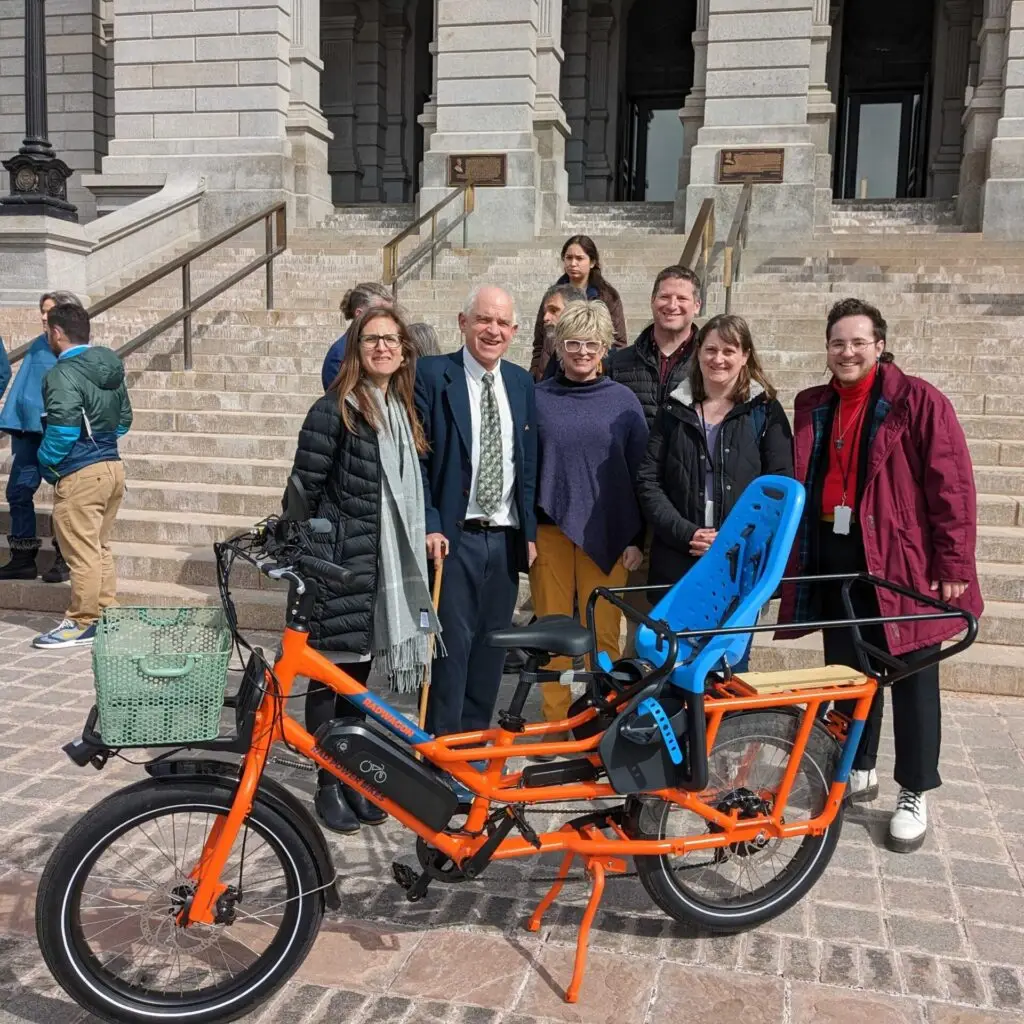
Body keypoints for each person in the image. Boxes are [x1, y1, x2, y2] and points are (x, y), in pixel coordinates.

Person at [776, 298, 982, 854]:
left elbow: (952, 486)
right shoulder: (812, 403)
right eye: (838, 342)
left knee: (913, 675)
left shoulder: (917, 401)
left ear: (879, 345)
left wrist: (953, 565)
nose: (847, 351)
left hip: (901, 557)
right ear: (827, 348)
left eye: (858, 341)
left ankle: (914, 788)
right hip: (835, 551)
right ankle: (856, 766)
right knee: (847, 669)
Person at [288, 305, 442, 834]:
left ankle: (354, 778)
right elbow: (302, 492)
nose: (383, 348)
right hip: (338, 569)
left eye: (392, 341)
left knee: (356, 683)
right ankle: (328, 783)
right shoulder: (335, 409)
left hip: (379, 572)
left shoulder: (402, 411)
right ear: (356, 348)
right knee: (329, 682)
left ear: (404, 353)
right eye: (372, 339)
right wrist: (308, 560)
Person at [636, 314, 793, 671]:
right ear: (698, 353)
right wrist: (686, 532)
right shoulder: (674, 409)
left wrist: (733, 540)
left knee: (725, 669)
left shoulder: (765, 412)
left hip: (739, 566)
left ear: (745, 356)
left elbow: (780, 486)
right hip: (679, 560)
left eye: (729, 350)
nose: (718, 359)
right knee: (672, 667)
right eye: (710, 349)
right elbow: (648, 481)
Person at [415, 285, 538, 737]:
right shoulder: (431, 375)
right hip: (454, 538)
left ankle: (471, 750)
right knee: (449, 652)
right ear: (462, 322)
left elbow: (526, 463)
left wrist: (528, 533)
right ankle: (439, 753)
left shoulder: (522, 383)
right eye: (484, 319)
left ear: (514, 331)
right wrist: (429, 523)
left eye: (502, 323)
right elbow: (420, 460)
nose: (493, 330)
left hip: (504, 540)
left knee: (491, 652)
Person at [530, 300, 647, 742]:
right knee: (552, 629)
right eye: (573, 343)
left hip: (611, 532)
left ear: (605, 347)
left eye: (591, 344)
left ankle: (604, 719)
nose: (582, 352)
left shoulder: (623, 402)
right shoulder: (536, 399)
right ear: (558, 346)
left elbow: (640, 474)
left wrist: (637, 538)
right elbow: (525, 472)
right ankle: (553, 721)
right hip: (548, 531)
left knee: (605, 634)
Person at [32, 303, 133, 649]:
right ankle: (107, 614)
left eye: (48, 329)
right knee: (98, 547)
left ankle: (82, 621)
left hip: (81, 472)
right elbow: (124, 421)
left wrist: (44, 462)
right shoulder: (110, 368)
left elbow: (61, 430)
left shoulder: (62, 374)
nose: (47, 334)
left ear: (57, 333)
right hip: (112, 468)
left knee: (82, 551)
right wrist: (101, 444)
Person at [0, 291, 83, 584]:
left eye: (49, 312)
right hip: (27, 430)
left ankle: (65, 557)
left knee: (65, 494)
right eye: (42, 312)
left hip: (56, 430)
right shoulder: (39, 344)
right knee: (19, 492)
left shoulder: (72, 349)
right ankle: (22, 558)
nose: (43, 317)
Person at [606, 265, 703, 429]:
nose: (672, 305)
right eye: (664, 297)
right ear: (652, 300)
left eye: (682, 298)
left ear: (697, 306)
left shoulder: (709, 364)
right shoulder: (617, 363)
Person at [529, 236, 626, 380]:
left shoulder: (608, 297)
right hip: (549, 375)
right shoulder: (553, 295)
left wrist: (598, 367)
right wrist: (535, 374)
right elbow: (539, 342)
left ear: (592, 262)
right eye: (568, 258)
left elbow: (618, 342)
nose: (573, 263)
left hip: (592, 374)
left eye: (579, 258)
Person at [320, 281, 393, 391]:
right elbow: (341, 403)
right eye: (380, 312)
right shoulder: (340, 356)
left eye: (390, 313)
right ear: (359, 314)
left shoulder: (389, 348)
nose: (388, 319)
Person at [528, 282, 587, 381]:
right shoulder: (555, 346)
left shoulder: (595, 353)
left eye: (553, 310)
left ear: (574, 311)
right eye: (545, 312)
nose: (545, 318)